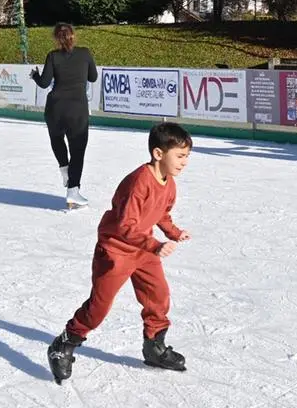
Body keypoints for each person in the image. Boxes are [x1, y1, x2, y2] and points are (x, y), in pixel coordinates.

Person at [47, 123, 193, 382]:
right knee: (98, 308)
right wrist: (155, 246)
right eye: (180, 156)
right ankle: (64, 344)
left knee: (158, 296)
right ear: (158, 154)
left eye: (187, 156)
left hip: (142, 247)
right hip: (116, 249)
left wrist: (174, 232)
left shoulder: (168, 183)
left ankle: (154, 347)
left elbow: (162, 213)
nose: (184, 162)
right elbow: (125, 226)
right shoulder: (138, 182)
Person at [30, 23, 98, 208]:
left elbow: (44, 83)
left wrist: (35, 75)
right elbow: (93, 77)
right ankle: (73, 191)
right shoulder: (85, 53)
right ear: (73, 36)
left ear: (56, 39)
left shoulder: (53, 56)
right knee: (77, 151)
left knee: (56, 138)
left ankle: (64, 169)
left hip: (55, 108)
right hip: (77, 110)